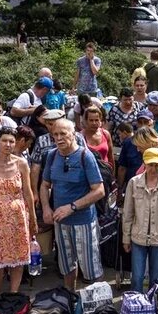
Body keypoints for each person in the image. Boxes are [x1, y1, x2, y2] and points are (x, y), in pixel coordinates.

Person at [40, 119, 105, 290]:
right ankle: (70, 299)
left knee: (91, 269)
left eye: (63, 134)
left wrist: (72, 207)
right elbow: (45, 185)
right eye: (55, 134)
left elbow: (99, 190)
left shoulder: (85, 156)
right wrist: (46, 207)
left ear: (73, 134)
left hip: (83, 222)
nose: (59, 138)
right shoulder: (52, 155)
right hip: (60, 223)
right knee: (66, 267)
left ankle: (98, 307)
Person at [0, 127, 37, 296]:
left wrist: (32, 217)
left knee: (18, 257)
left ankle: (13, 293)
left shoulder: (22, 164)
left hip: (18, 216)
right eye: (4, 140)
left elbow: (27, 192)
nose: (8, 144)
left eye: (11, 141)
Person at [123, 148, 158, 293]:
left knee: (156, 278)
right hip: (138, 238)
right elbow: (128, 212)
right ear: (144, 164)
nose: (154, 168)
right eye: (150, 164)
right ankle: (136, 308)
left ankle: (152, 307)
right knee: (136, 277)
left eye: (157, 165)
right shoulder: (134, 183)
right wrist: (126, 238)